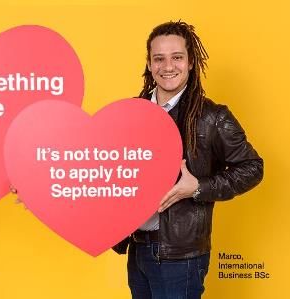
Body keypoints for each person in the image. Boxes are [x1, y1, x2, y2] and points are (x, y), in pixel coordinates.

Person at [112, 21, 263, 298]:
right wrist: (43, 184)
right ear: (149, 63)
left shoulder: (212, 117)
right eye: (159, 58)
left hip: (181, 255)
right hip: (138, 247)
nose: (167, 66)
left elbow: (253, 168)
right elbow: (107, 168)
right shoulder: (133, 114)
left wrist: (196, 188)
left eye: (177, 57)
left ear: (190, 62)